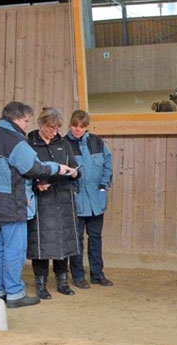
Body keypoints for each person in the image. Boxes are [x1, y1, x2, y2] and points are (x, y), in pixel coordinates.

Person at [0, 101, 72, 308]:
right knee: (14, 249)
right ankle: (15, 294)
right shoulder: (14, 140)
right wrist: (57, 167)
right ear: (16, 118)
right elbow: (33, 168)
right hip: (12, 201)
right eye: (26, 121)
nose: (27, 125)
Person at [27, 107, 81, 299]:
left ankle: (62, 282)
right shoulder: (29, 143)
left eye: (57, 128)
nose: (54, 132)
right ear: (40, 124)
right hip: (42, 200)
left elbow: (74, 165)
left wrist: (75, 172)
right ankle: (41, 285)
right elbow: (24, 171)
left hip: (64, 198)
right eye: (50, 127)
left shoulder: (64, 144)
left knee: (63, 241)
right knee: (41, 243)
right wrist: (36, 185)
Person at [67, 109, 114, 289]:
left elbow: (107, 165)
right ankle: (78, 276)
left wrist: (103, 186)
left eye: (82, 126)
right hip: (76, 202)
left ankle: (97, 274)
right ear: (71, 124)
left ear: (87, 127)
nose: (78, 129)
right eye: (75, 126)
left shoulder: (97, 142)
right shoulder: (64, 144)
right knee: (77, 239)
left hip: (96, 201)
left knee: (95, 237)